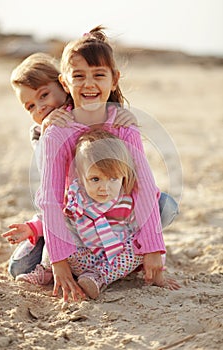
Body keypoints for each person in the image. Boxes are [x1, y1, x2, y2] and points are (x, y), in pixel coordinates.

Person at [35, 25, 179, 302]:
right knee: (26, 263)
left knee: (163, 206)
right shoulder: (58, 131)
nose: (89, 84)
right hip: (80, 222)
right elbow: (51, 198)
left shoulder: (124, 126)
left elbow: (144, 188)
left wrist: (152, 250)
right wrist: (59, 264)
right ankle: (59, 262)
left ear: (114, 80)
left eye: (98, 75)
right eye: (79, 76)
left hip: (117, 219)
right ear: (65, 83)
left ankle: (99, 274)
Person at [1, 52, 140, 284]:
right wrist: (46, 132)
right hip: (67, 210)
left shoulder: (95, 113)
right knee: (19, 268)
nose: (40, 107)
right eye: (31, 106)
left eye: (44, 95)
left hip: (105, 201)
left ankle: (102, 258)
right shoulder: (45, 133)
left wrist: (122, 114)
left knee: (163, 205)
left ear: (63, 84)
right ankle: (49, 239)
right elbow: (51, 190)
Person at [63, 129, 179, 299]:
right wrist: (33, 230)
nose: (104, 187)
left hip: (114, 261)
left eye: (113, 179)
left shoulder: (126, 203)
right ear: (81, 178)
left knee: (140, 246)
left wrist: (157, 269)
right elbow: (57, 221)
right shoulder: (76, 197)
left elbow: (142, 235)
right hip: (83, 258)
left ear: (123, 177)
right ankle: (46, 269)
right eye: (95, 179)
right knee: (59, 230)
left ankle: (99, 279)